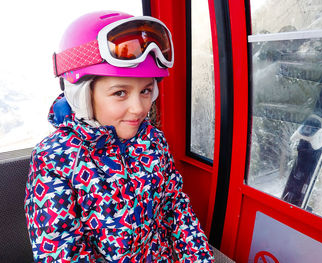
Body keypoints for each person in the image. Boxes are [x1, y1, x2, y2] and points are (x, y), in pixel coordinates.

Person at [24, 10, 214, 263]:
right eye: (120, 93)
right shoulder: (55, 159)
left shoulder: (152, 141)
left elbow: (175, 209)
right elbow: (60, 253)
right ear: (82, 95)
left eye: (146, 90)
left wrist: (199, 258)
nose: (139, 108)